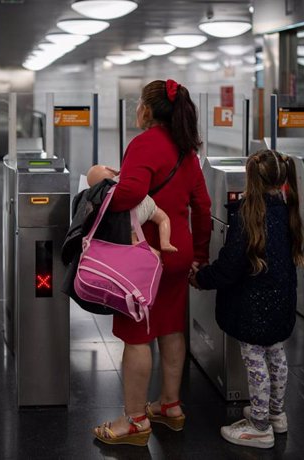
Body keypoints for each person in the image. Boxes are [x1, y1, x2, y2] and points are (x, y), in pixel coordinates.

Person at [92, 79, 211, 447]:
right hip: (179, 253)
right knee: (172, 326)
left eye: (140, 103)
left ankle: (134, 420)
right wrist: (200, 257)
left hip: (144, 258)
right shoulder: (186, 150)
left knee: (137, 335)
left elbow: (129, 194)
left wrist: (102, 189)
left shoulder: (143, 144)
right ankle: (169, 406)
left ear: (147, 109)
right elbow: (203, 206)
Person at [189, 149, 304, 449]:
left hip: (252, 307)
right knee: (277, 357)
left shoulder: (247, 216)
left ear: (250, 180)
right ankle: (276, 415)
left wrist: (200, 278)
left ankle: (259, 426)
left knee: (255, 363)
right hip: (282, 304)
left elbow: (230, 266)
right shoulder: (287, 210)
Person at [86, 164, 178, 253]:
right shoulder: (120, 177)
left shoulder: (101, 194)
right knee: (163, 219)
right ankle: (165, 242)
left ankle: (151, 252)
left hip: (125, 218)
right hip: (144, 203)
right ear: (110, 170)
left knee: (132, 240)